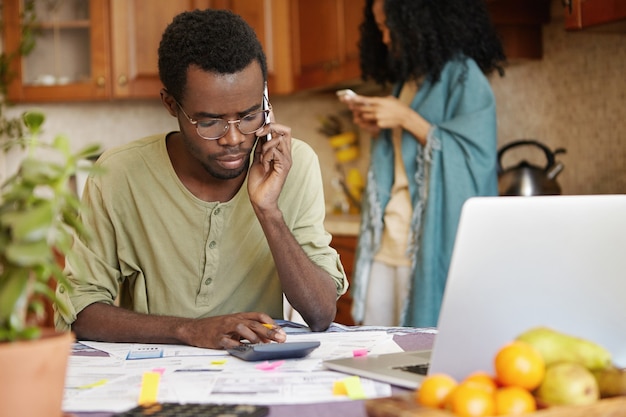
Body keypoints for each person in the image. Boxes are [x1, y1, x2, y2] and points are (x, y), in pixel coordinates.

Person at [55, 9, 347, 349]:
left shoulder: (292, 165)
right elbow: (79, 312)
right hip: (152, 375)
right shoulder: (118, 174)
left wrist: (269, 210)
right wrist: (190, 330)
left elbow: (321, 312)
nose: (234, 138)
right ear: (170, 104)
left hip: (256, 376)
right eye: (210, 122)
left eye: (250, 115)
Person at [340, 0, 506, 327]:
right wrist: (381, 128)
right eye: (380, 29)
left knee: (416, 353)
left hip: (427, 244)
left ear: (417, 20)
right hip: (388, 238)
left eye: (389, 25)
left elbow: (477, 157)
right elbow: (413, 154)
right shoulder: (408, 82)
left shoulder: (463, 75)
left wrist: (404, 117)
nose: (385, 38)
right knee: (376, 348)